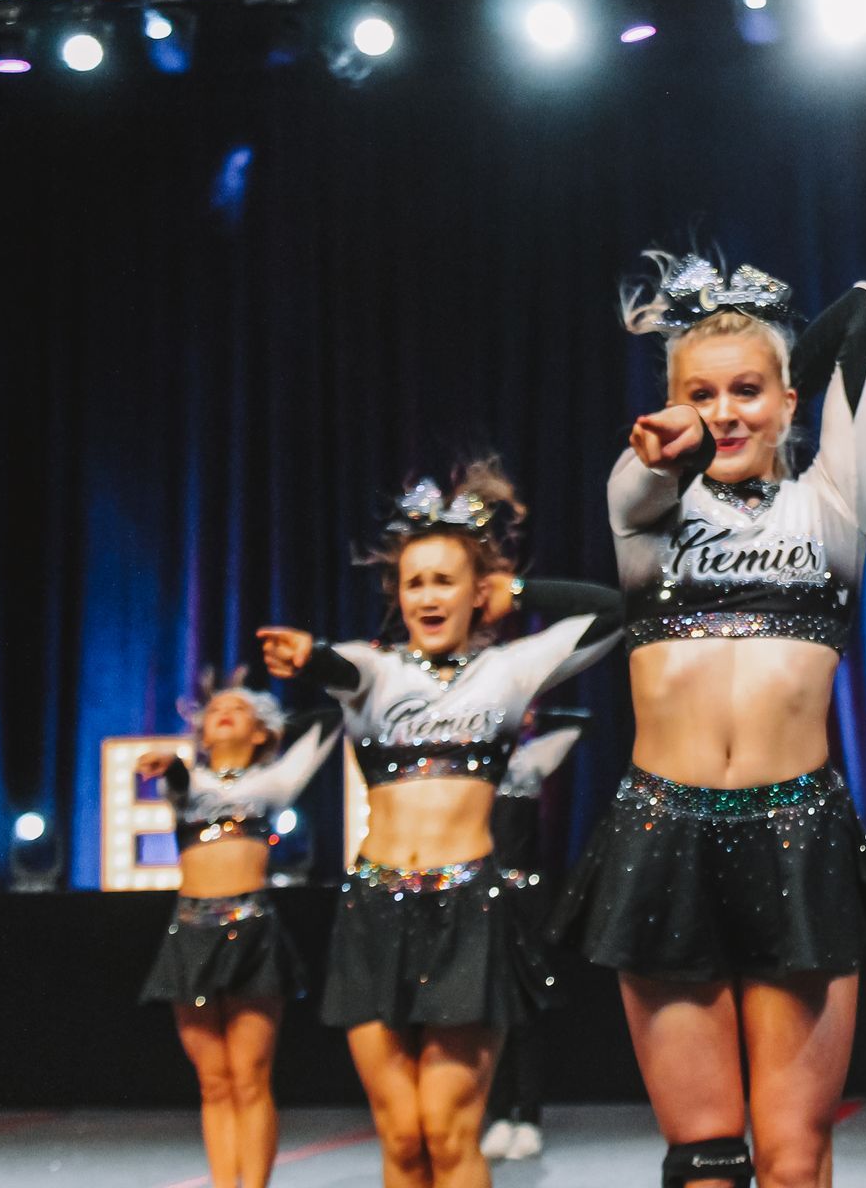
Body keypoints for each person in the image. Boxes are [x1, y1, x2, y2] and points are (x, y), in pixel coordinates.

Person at [549, 253, 866, 1188]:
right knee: (706, 1162)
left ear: (793, 402)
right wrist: (674, 440)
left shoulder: (831, 507)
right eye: (699, 392)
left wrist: (758, 330)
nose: (726, 411)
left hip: (797, 839)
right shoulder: (644, 510)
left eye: (748, 391)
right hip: (665, 838)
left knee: (794, 1163)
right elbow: (643, 479)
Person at [259, 459, 621, 1188]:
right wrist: (308, 655)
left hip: (470, 914)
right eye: (414, 581)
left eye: (444, 580)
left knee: (449, 1133)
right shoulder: (374, 668)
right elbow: (337, 668)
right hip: (374, 913)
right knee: (401, 1136)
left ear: (475, 593)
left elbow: (617, 611)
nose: (428, 595)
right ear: (396, 593)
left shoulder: (509, 671)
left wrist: (517, 593)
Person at [137, 671, 340, 1188]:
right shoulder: (187, 782)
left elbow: (330, 717)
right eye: (215, 709)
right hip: (191, 933)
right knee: (213, 1081)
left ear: (262, 733)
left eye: (241, 709)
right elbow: (178, 779)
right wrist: (174, 763)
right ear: (202, 734)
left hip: (251, 932)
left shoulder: (275, 782)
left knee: (250, 1079)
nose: (225, 710)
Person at [479, 707, 589, 1163]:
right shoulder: (467, 759)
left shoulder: (532, 759)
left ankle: (528, 1117)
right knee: (486, 1013)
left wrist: (534, 713)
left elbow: (584, 721)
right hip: (474, 896)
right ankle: (498, 1115)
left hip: (523, 896)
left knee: (524, 1013)